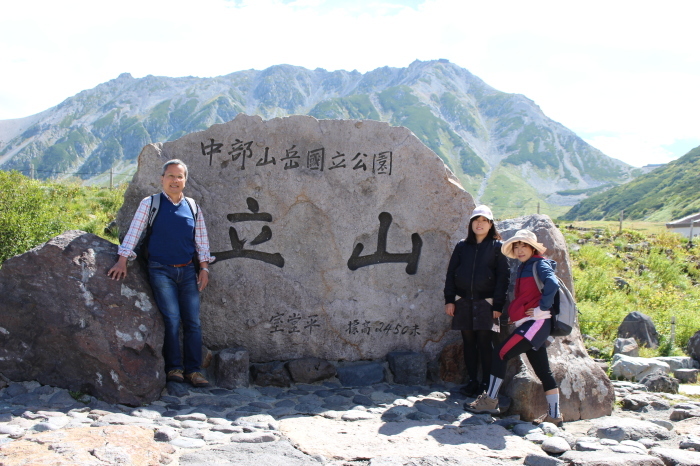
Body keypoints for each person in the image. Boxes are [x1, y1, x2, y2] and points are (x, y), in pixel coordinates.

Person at [108, 159, 215, 388]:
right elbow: (134, 231)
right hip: (160, 270)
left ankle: (194, 371)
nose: (175, 181)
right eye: (170, 176)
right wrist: (122, 260)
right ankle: (174, 368)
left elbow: (201, 240)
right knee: (172, 319)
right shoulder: (151, 203)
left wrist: (204, 268)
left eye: (179, 176)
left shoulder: (193, 207)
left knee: (193, 322)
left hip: (187, 271)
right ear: (162, 179)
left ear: (185, 180)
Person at [465, 229, 563, 426]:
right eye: (516, 246)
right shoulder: (526, 266)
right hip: (531, 324)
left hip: (537, 323)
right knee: (543, 371)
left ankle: (490, 400)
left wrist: (541, 309)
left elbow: (552, 283)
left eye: (523, 245)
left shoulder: (539, 264)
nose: (519, 250)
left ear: (532, 248)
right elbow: (528, 297)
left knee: (501, 353)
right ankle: (555, 415)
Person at [444, 205, 510, 397]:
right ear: (471, 224)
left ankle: (486, 384)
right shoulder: (462, 246)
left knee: (485, 343)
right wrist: (450, 300)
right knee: (468, 343)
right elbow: (451, 274)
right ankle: (472, 381)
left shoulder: (498, 247)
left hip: (487, 303)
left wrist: (498, 305)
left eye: (484, 221)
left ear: (491, 225)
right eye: (476, 220)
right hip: (463, 301)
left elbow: (503, 278)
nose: (479, 224)